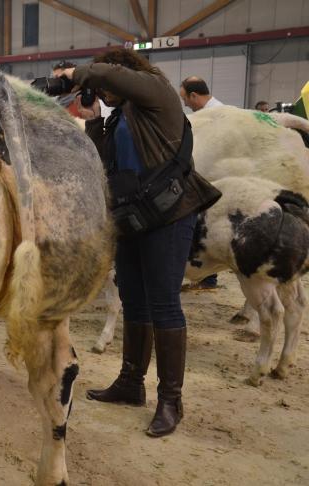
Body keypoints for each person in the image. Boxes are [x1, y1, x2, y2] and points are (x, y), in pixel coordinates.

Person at [60, 48, 220, 437]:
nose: (103, 91)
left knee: (164, 304)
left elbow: (119, 79)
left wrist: (76, 73)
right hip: (133, 218)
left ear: (120, 72)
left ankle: (171, 401)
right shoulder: (121, 117)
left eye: (104, 84)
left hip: (169, 216)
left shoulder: (157, 92)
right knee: (134, 300)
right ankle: (132, 384)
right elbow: (106, 167)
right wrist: (96, 123)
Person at [179, 76, 224, 291]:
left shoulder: (218, 115)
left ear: (194, 95)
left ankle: (209, 278)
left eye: (186, 99)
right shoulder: (211, 113)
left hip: (217, 178)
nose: (185, 104)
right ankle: (205, 277)